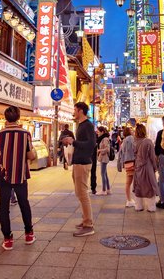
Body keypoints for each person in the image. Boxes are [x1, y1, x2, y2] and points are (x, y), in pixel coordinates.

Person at [0, 106, 36, 250]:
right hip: (20, 174)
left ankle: (7, 238)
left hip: (4, 174)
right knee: (24, 203)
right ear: (18, 117)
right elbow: (31, 156)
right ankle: (29, 234)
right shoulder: (25, 134)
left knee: (3, 206)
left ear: (5, 117)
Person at [62, 102, 96, 237]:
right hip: (78, 162)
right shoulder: (81, 125)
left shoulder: (87, 125)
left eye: (75, 109)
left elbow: (91, 144)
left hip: (83, 163)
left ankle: (88, 225)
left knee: (83, 193)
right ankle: (85, 220)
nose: (73, 112)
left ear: (81, 111)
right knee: (79, 193)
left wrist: (73, 141)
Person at [132, 123, 158, 212]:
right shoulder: (148, 142)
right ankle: (151, 207)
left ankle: (138, 206)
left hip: (137, 167)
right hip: (148, 167)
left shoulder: (134, 142)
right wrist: (155, 167)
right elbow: (152, 156)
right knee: (150, 186)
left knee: (138, 186)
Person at [117, 126, 135, 208]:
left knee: (128, 183)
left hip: (127, 163)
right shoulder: (132, 139)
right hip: (134, 163)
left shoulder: (124, 141)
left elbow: (120, 154)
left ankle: (129, 200)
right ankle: (137, 201)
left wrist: (120, 165)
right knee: (136, 182)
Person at [97, 126, 111, 195]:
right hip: (103, 157)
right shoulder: (104, 138)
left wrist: (99, 150)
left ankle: (103, 190)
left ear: (102, 132)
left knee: (103, 174)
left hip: (104, 158)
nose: (98, 133)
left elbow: (107, 149)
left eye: (99, 132)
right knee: (105, 173)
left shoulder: (105, 139)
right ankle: (108, 189)